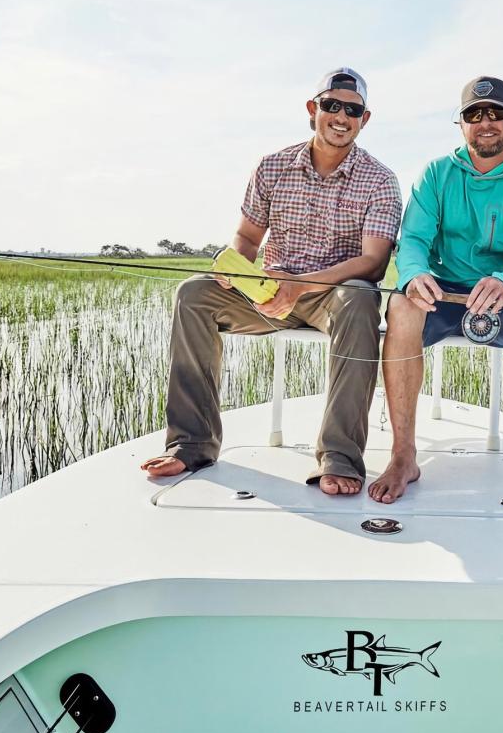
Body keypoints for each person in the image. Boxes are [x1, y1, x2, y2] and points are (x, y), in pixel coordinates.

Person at [140, 68, 402, 495]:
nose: (340, 116)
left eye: (351, 110)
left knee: (360, 297)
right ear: (312, 109)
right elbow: (246, 238)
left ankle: (339, 456)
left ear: (364, 119)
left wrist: (300, 285)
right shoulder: (273, 165)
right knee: (192, 293)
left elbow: (372, 264)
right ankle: (192, 444)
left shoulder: (380, 179)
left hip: (331, 298)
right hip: (266, 294)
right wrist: (235, 266)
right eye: (331, 105)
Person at [370, 75, 503, 505]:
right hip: (442, 290)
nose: (485, 122)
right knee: (402, 308)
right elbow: (412, 241)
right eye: (474, 114)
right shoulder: (436, 174)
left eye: (496, 113)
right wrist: (414, 275)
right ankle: (403, 455)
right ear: (461, 124)